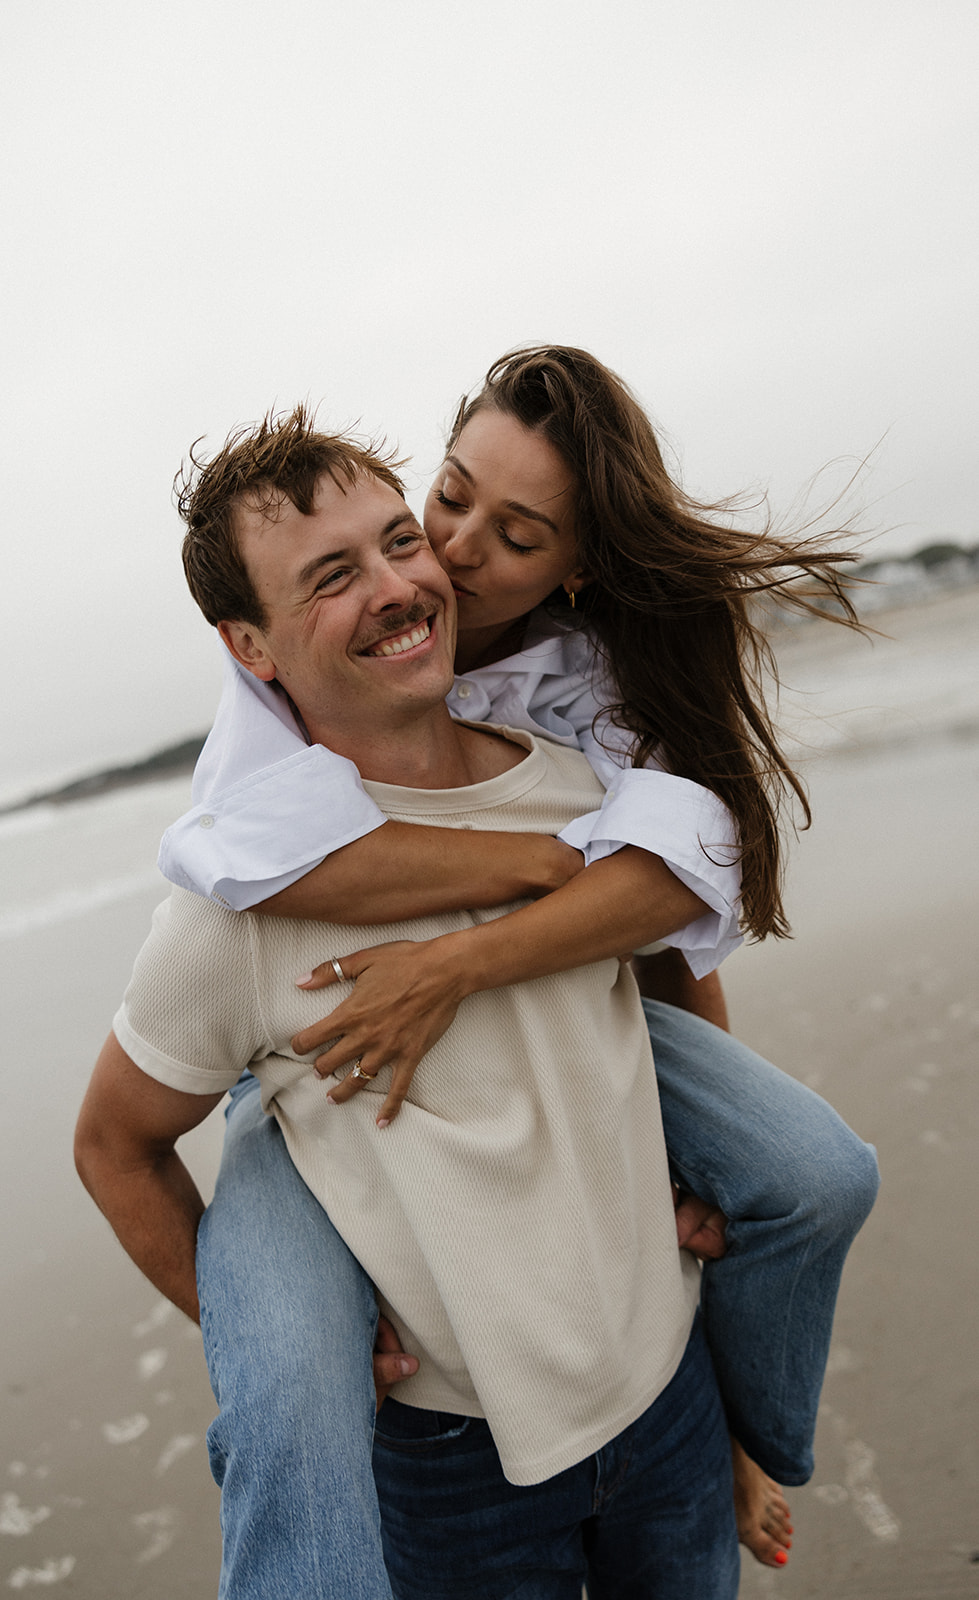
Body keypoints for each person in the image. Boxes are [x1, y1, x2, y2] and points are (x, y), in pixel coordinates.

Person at [157, 351, 879, 1568]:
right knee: (287, 1386)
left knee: (811, 1174)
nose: (452, 548)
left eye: (518, 533)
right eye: (451, 496)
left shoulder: (585, 688)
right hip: (312, 1044)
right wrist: (523, 868)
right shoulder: (301, 685)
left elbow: (661, 906)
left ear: (576, 565)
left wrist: (685, 1128)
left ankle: (744, 1444)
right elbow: (252, 869)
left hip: (542, 986)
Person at [76, 425, 747, 1599]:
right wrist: (296, 1353)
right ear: (251, 647)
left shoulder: (580, 790)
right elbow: (114, 1144)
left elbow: (671, 973)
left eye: (398, 541)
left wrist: (704, 1167)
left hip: (668, 1383)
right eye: (330, 577)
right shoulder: (235, 910)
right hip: (451, 1459)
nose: (396, 587)